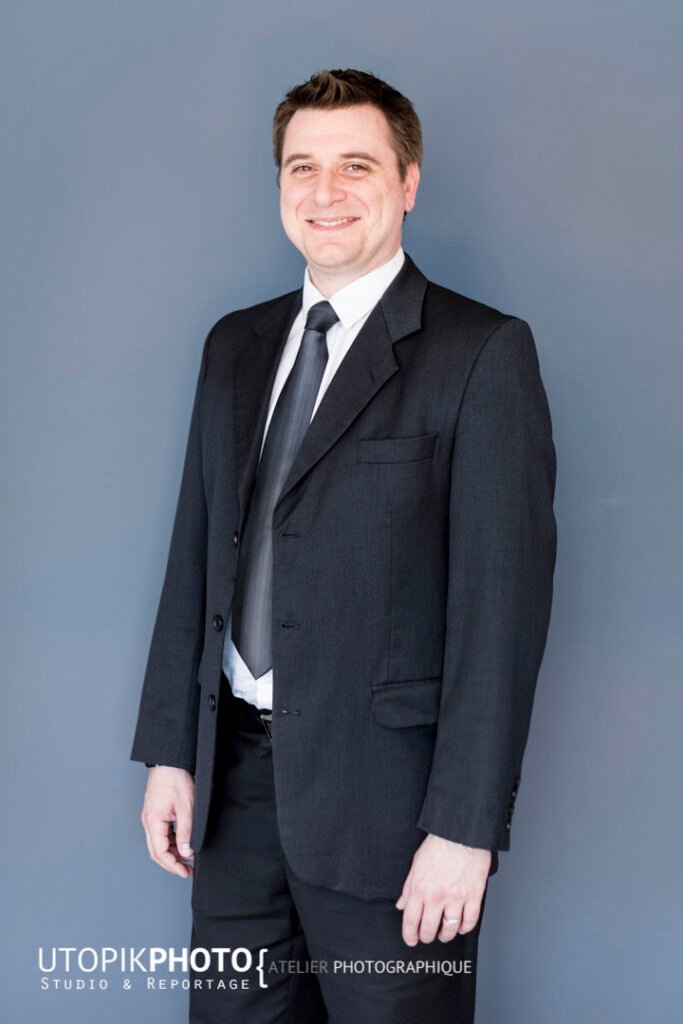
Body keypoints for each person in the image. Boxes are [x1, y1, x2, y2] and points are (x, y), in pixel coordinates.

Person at [130, 67, 557, 1023]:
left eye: (355, 166)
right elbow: (196, 555)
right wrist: (171, 753)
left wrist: (464, 830)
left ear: (407, 182)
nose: (325, 192)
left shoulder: (480, 353)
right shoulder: (233, 347)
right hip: (233, 798)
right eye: (302, 168)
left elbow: (500, 612)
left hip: (392, 817)